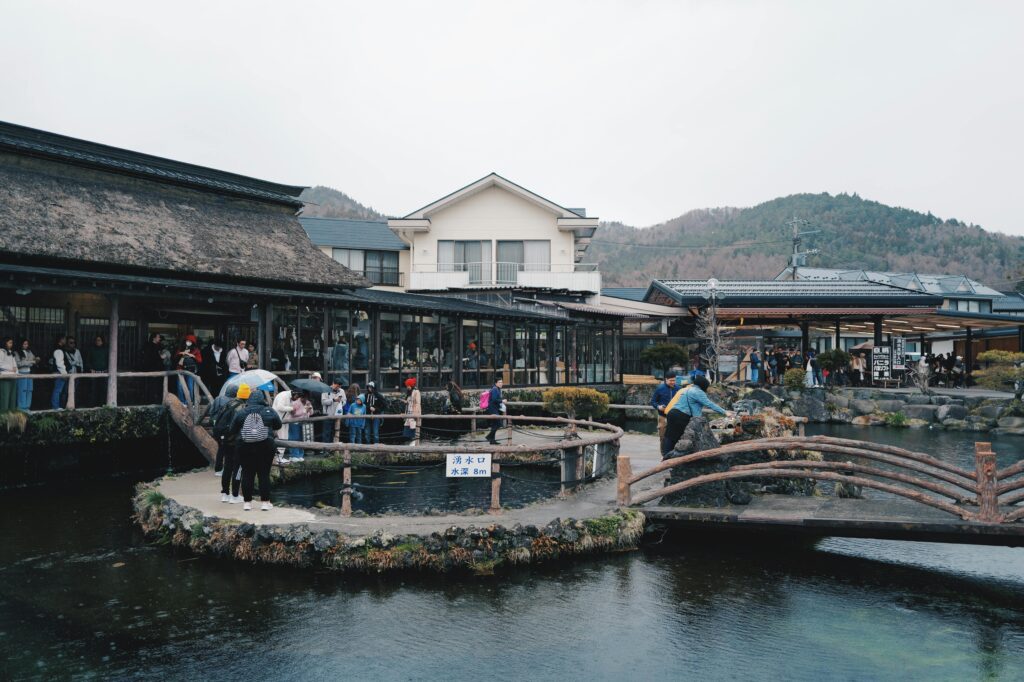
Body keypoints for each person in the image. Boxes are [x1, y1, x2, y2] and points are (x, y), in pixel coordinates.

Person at [229, 385, 282, 512]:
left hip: (245, 447)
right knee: (264, 474)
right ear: (262, 399)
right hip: (266, 446)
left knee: (247, 474)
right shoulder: (269, 411)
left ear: (249, 399)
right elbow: (278, 425)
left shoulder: (241, 412)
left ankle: (247, 503)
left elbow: (232, 429)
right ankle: (265, 503)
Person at [661, 375, 732, 456]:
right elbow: (710, 404)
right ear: (703, 385)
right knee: (679, 437)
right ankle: (672, 458)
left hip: (672, 413)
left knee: (670, 436)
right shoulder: (698, 392)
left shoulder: (687, 389)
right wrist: (725, 412)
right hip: (681, 416)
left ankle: (666, 456)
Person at [211, 384, 245, 501]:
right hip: (235, 442)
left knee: (227, 467)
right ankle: (235, 495)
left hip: (224, 439)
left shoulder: (226, 404)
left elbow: (213, 413)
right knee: (238, 468)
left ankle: (225, 494)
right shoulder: (240, 407)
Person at [174, 335, 202, 404]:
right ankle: (182, 402)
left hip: (190, 370)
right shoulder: (181, 348)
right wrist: (181, 353)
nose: (188, 342)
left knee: (190, 386)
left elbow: (200, 360)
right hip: (180, 369)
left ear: (193, 343)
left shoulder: (196, 350)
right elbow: (175, 357)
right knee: (180, 386)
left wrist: (192, 356)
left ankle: (190, 402)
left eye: (190, 341)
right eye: (187, 341)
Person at [650, 373, 677, 442]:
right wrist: (658, 407)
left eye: (674, 380)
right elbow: (653, 401)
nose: (673, 382)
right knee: (662, 436)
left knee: (674, 436)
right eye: (671, 380)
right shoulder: (660, 388)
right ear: (666, 380)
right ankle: (663, 452)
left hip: (675, 416)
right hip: (662, 416)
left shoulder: (678, 389)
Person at [272, 388, 295, 464]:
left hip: (284, 420)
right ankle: (278, 458)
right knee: (281, 438)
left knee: (285, 437)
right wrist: (291, 408)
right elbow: (280, 407)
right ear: (294, 393)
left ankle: (280, 457)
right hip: (278, 420)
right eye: (297, 396)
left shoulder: (290, 397)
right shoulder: (283, 395)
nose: (297, 398)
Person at [86, 334, 109, 407]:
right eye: (96, 340)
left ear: (102, 341)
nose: (97, 342)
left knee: (103, 389)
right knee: (93, 389)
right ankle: (92, 405)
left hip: (104, 372)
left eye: (99, 340)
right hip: (94, 373)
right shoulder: (91, 349)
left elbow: (110, 360)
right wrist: (91, 368)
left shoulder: (106, 350)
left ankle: (102, 404)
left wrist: (107, 369)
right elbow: (87, 361)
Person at [15, 338, 38, 411]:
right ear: (21, 344)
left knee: (29, 390)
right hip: (21, 373)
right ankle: (21, 407)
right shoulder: (16, 352)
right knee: (22, 390)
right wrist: (29, 362)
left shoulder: (29, 351)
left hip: (29, 372)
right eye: (24, 344)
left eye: (27, 344)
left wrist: (29, 361)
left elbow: (34, 360)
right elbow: (18, 364)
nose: (26, 345)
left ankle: (28, 407)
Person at [141, 332, 164, 402]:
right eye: (158, 337)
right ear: (154, 338)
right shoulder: (153, 346)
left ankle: (150, 399)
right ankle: (152, 399)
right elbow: (155, 357)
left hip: (150, 368)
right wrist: (162, 357)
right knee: (154, 384)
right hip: (154, 368)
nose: (159, 338)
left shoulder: (148, 345)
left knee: (151, 384)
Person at [50, 335, 70, 410]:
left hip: (59, 372)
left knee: (58, 390)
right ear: (60, 340)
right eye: (64, 339)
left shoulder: (59, 349)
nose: (65, 341)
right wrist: (64, 373)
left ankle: (56, 406)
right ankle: (55, 406)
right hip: (59, 372)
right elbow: (59, 363)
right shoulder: (58, 350)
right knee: (57, 390)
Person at [0, 337, 18, 412]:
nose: (11, 344)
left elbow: (14, 364)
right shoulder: (1, 351)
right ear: (5, 343)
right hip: (5, 377)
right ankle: (4, 414)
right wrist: (10, 368)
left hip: (13, 376)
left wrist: (15, 370)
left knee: (12, 396)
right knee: (5, 396)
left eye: (12, 343)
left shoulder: (11, 352)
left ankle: (11, 413)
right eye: (9, 342)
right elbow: (0, 364)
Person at [484, 377, 504, 445]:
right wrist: (502, 401)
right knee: (498, 424)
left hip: (493, 408)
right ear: (496, 383)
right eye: (499, 382)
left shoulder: (497, 389)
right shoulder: (495, 389)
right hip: (492, 409)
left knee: (494, 424)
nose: (501, 383)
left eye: (501, 382)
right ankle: (489, 436)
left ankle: (492, 441)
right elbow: (494, 399)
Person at [403, 377, 421, 444]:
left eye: (408, 386)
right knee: (408, 431)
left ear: (411, 385)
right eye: (407, 386)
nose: (407, 387)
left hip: (413, 414)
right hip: (409, 413)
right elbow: (409, 402)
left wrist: (415, 414)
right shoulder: (409, 393)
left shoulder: (416, 392)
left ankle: (415, 446)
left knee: (414, 431)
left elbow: (417, 403)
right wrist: (406, 402)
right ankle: (411, 445)